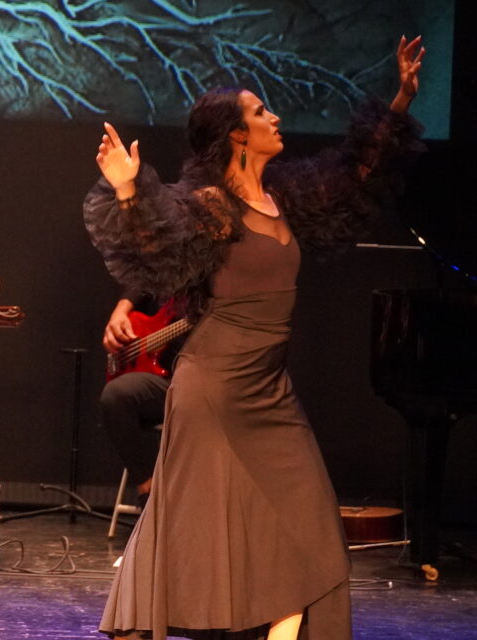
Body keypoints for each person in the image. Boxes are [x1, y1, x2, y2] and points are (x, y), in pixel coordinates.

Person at [84, 36, 425, 640]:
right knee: (194, 524)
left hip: (268, 388)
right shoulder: (211, 206)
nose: (275, 117)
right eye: (262, 111)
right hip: (214, 388)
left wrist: (399, 99)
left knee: (313, 530)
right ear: (237, 134)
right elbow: (157, 255)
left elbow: (358, 173)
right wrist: (128, 190)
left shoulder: (285, 196)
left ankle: (282, 628)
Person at [98, 294, 179, 503]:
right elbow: (142, 277)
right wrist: (121, 310)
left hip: (205, 377)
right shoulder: (171, 268)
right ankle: (148, 491)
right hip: (167, 381)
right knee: (116, 395)